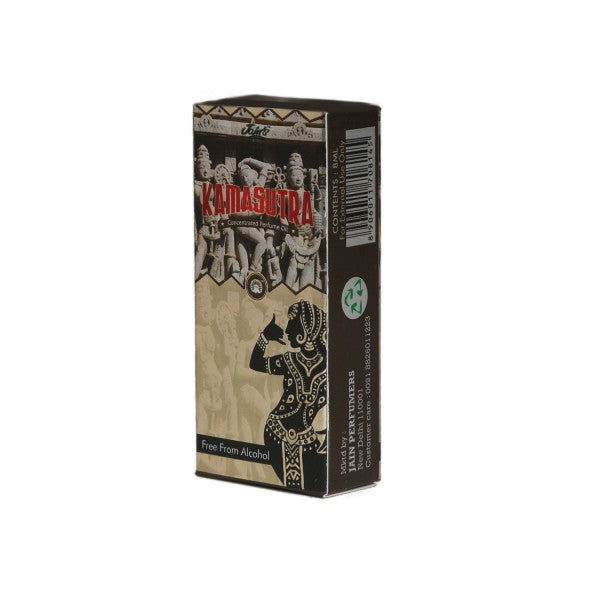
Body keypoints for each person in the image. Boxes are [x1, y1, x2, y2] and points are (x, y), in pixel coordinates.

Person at [249, 301, 327, 491]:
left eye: (293, 323)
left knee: (316, 484)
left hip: (308, 440)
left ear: (306, 331)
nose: (288, 330)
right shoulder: (289, 360)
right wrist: (265, 336)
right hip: (276, 433)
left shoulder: (328, 369)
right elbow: (256, 363)